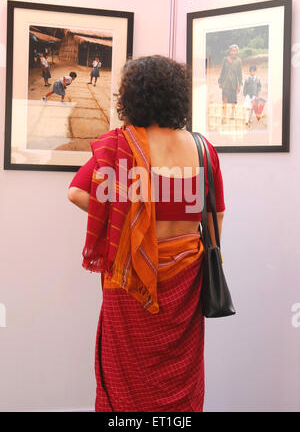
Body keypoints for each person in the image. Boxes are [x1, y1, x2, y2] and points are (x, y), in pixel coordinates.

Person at [68, 55, 226, 412]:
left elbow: (76, 193)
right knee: (181, 376)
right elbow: (214, 218)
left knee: (126, 379)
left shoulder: (121, 147)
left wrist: (128, 223)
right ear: (176, 97)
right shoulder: (203, 149)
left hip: (129, 280)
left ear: (132, 97)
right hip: (186, 282)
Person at [218, 44, 243, 123]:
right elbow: (222, 71)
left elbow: (240, 73)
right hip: (225, 83)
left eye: (235, 51)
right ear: (230, 51)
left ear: (237, 52)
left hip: (234, 84)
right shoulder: (225, 59)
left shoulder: (238, 61)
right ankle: (224, 117)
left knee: (233, 101)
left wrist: (239, 85)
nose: (233, 52)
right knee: (224, 101)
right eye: (232, 50)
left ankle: (232, 115)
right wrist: (220, 81)